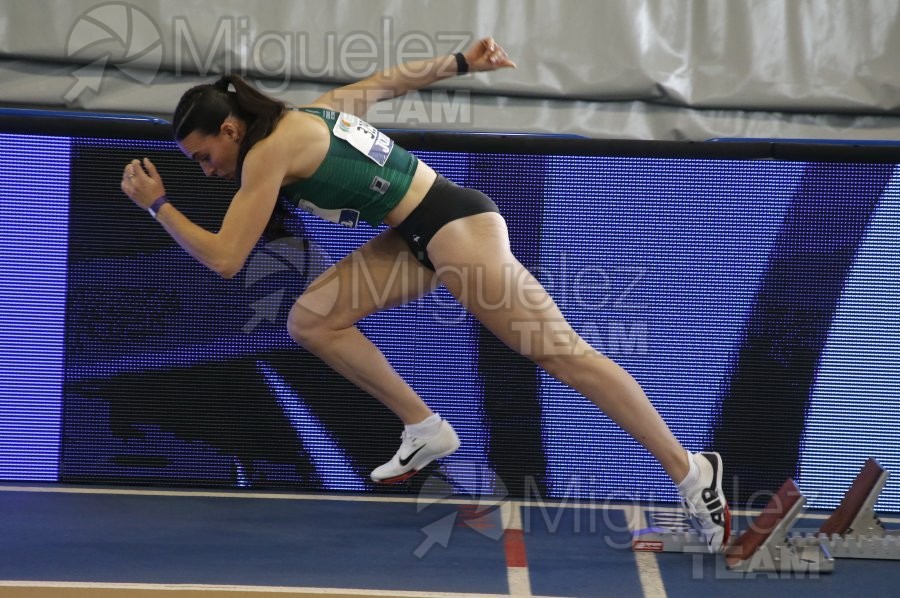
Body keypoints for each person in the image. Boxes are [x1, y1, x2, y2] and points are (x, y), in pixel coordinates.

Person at [120, 38, 731, 552]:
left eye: (204, 155)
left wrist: (159, 207)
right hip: (417, 237)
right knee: (313, 319)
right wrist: (459, 63)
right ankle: (425, 426)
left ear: (230, 128)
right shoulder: (310, 114)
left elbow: (227, 260)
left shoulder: (269, 152)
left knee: (562, 355)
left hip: (454, 232)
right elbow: (384, 84)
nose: (206, 168)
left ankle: (690, 470)